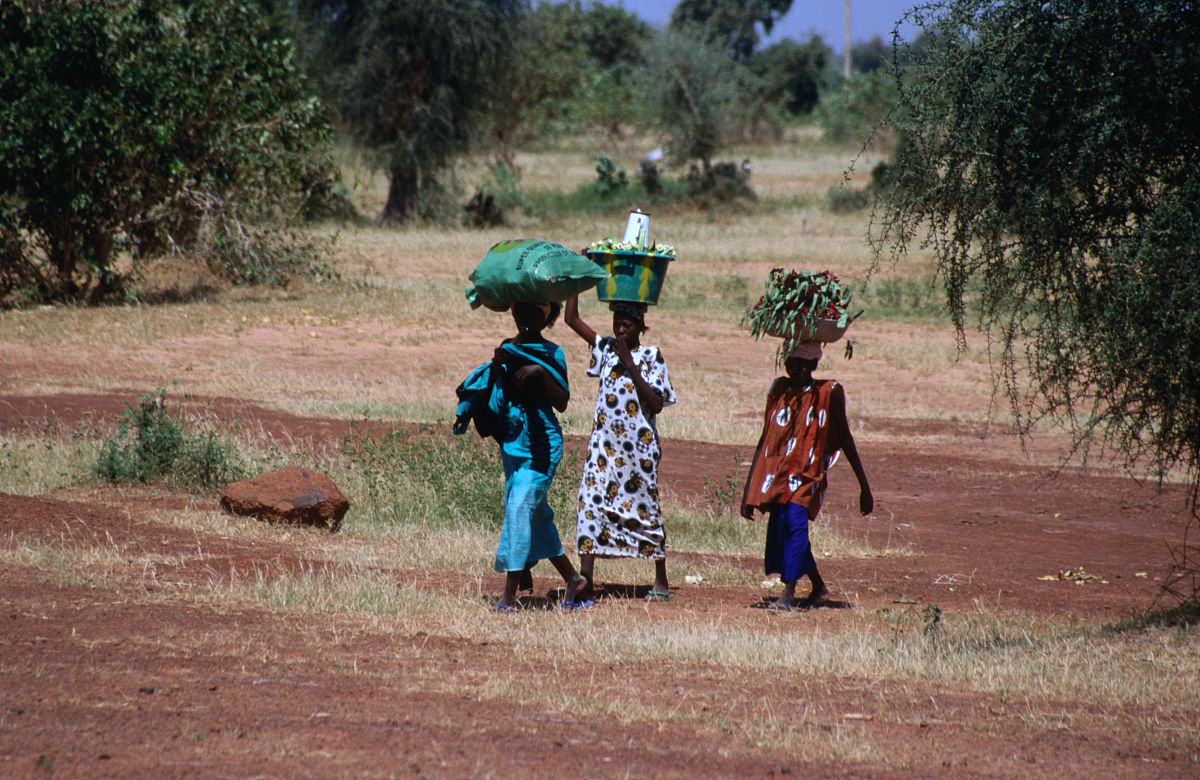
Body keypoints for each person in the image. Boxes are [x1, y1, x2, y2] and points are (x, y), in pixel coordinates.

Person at [454, 300, 590, 611]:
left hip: (542, 446)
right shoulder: (508, 348)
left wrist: (540, 373)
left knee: (518, 510)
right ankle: (574, 580)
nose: (523, 318)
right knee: (536, 515)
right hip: (513, 443)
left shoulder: (552, 353)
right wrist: (500, 363)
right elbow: (499, 390)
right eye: (519, 312)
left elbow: (563, 401)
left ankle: (508, 597)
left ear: (546, 317)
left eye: (532, 313)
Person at [740, 342, 873, 611]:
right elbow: (765, 438)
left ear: (814, 365)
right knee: (786, 529)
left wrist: (864, 486)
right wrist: (749, 490)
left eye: (803, 363)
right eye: (791, 362)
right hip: (778, 476)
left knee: (796, 527)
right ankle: (819, 587)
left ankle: (787, 594)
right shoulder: (779, 390)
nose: (795, 368)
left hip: (807, 475)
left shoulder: (828, 392)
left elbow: (845, 437)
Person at [564, 295, 677, 601]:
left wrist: (630, 364)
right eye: (617, 324)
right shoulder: (605, 350)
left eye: (627, 324)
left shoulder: (652, 357)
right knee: (590, 504)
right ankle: (585, 578)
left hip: (638, 452)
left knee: (645, 508)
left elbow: (656, 403)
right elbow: (571, 319)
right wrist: (576, 283)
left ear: (641, 327)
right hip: (603, 449)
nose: (621, 330)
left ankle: (660, 578)